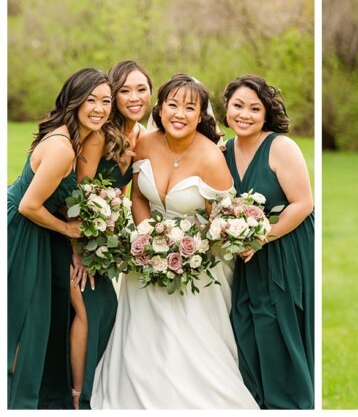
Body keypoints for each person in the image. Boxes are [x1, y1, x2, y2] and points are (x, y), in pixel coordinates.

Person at [90, 74, 258, 409]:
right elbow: (137, 196)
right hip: (145, 256)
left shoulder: (212, 158)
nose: (180, 114)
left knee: (189, 341)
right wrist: (149, 237)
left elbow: (220, 221)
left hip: (199, 265)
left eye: (189, 107)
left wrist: (184, 248)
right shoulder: (146, 143)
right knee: (142, 335)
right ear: (160, 109)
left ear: (200, 115)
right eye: (173, 105)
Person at [7, 68, 109, 408]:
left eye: (106, 101)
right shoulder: (63, 147)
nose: (99, 108)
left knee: (43, 317)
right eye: (91, 100)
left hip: (43, 231)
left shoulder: (77, 138)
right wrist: (69, 231)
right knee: (24, 317)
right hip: (25, 232)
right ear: (74, 101)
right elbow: (28, 206)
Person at [222, 74, 314, 409]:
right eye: (238, 106)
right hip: (246, 254)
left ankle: (290, 403)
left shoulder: (280, 147)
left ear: (266, 113)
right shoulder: (224, 151)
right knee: (246, 321)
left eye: (254, 108)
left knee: (278, 322)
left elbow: (303, 203)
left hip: (285, 246)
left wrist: (264, 236)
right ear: (227, 108)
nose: (244, 114)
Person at [68, 59, 150, 409]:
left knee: (107, 311)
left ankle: (96, 393)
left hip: (102, 243)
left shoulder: (142, 135)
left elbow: (134, 197)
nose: (134, 97)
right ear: (113, 96)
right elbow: (79, 197)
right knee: (90, 308)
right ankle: (77, 398)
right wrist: (78, 250)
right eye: (125, 90)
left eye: (141, 89)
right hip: (71, 237)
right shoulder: (99, 136)